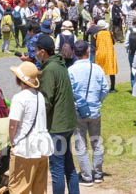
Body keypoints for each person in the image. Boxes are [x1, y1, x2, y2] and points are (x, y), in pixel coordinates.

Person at [35, 34, 80, 194]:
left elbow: (46, 100)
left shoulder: (50, 70)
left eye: (36, 50)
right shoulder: (59, 65)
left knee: (57, 169)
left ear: (43, 52)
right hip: (67, 122)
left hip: (57, 126)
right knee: (69, 167)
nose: (35, 52)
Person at [8, 61, 53, 194]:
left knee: (18, 188)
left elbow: (12, 125)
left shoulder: (19, 98)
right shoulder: (39, 96)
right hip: (42, 145)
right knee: (40, 188)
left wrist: (12, 142)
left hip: (24, 148)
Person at [68, 40, 107, 187]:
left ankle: (86, 176)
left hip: (78, 111)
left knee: (80, 144)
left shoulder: (71, 70)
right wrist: (97, 101)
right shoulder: (97, 69)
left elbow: (69, 91)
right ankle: (97, 173)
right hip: (94, 110)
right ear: (87, 52)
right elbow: (105, 88)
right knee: (96, 142)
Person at [93, 20, 118, 93]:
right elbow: (113, 42)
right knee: (111, 71)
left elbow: (94, 44)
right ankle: (112, 88)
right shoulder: (109, 33)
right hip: (109, 53)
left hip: (100, 53)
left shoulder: (96, 34)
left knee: (100, 71)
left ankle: (100, 87)